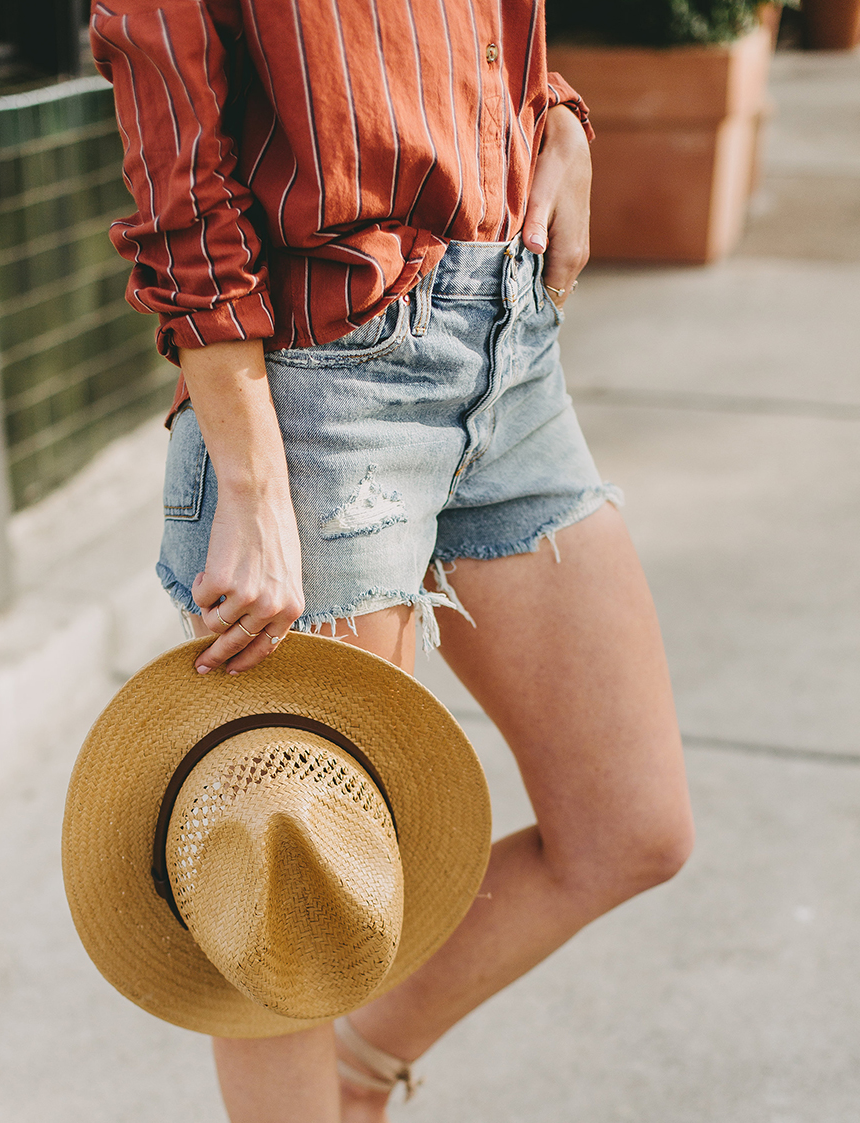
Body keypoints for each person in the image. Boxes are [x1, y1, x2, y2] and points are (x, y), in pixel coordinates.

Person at [90, 1, 695, 1120]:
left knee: (631, 826)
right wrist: (257, 486)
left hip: (509, 347)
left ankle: (359, 1072)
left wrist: (552, 113)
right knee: (292, 886)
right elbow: (175, 159)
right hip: (330, 379)